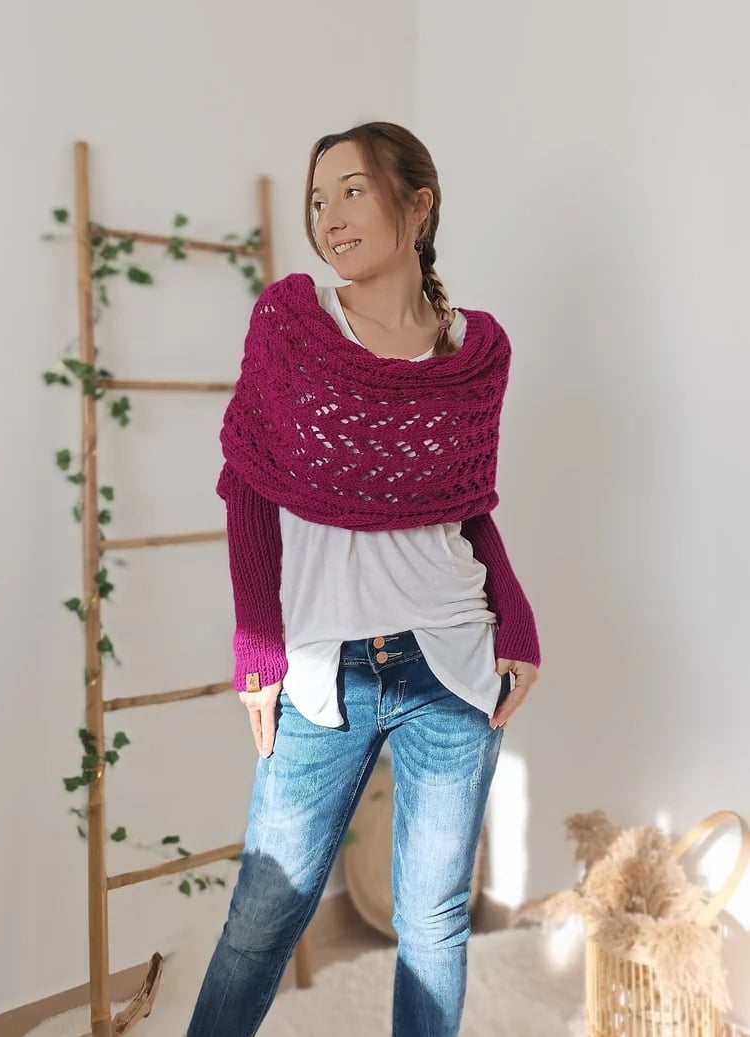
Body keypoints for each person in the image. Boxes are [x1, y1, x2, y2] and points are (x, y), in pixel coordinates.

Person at [187, 121, 540, 1037]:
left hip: (452, 659)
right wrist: (256, 647)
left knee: (434, 919)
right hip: (323, 663)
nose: (330, 216)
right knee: (262, 917)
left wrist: (517, 621)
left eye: (352, 190)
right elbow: (248, 485)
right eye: (318, 199)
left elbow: (466, 509)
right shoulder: (292, 322)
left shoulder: (477, 350)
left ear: (418, 205)